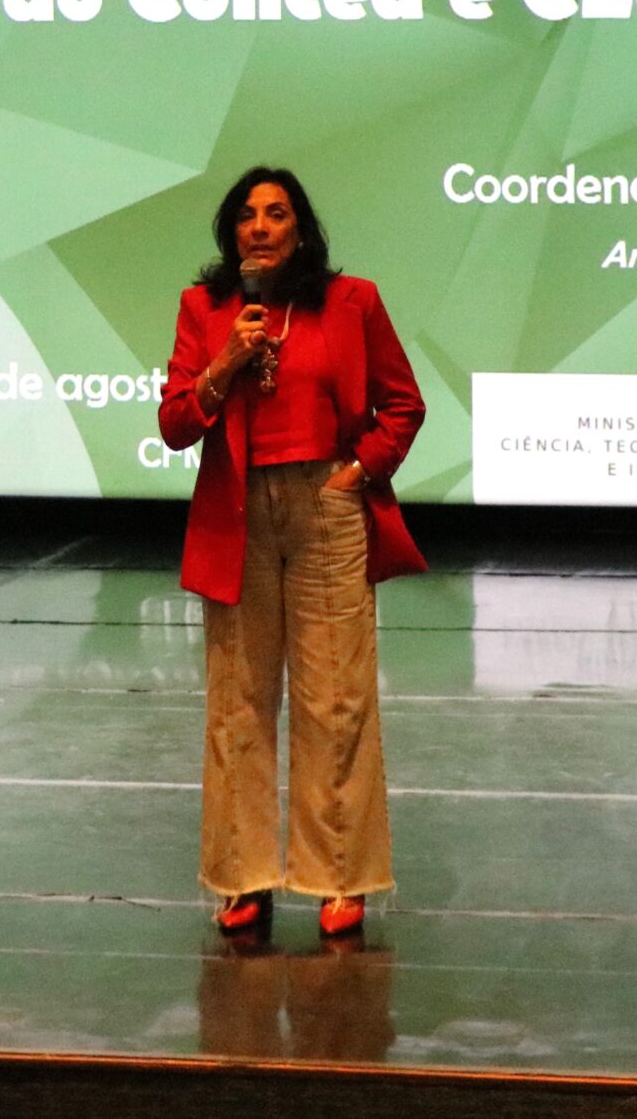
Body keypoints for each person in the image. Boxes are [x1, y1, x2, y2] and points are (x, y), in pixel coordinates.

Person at [159, 166, 426, 940]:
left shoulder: (352, 301)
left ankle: (341, 877)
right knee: (238, 703)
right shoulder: (206, 308)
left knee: (334, 699)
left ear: (300, 229)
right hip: (238, 513)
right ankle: (245, 877)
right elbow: (177, 422)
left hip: (328, 507)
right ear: (230, 232)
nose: (260, 226)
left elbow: (403, 402)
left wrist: (359, 470)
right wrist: (225, 363)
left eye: (276, 213)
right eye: (246, 215)